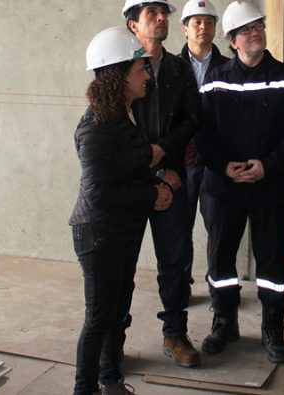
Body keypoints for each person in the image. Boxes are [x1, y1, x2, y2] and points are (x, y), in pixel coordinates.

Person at [70, 27, 174, 395]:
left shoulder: (119, 116)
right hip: (98, 234)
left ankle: (111, 381)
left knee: (116, 312)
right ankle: (84, 389)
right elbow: (99, 192)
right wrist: (150, 194)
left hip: (121, 229)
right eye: (140, 69)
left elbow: (126, 169)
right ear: (119, 76)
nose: (147, 75)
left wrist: (158, 179)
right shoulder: (96, 127)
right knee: (99, 317)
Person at [196, 1, 284, 363]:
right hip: (224, 188)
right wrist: (224, 167)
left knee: (272, 262)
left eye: (258, 26)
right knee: (221, 259)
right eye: (245, 30)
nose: (254, 33)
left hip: (270, 186)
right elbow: (202, 131)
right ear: (232, 41)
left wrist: (267, 166)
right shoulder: (215, 79)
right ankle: (224, 321)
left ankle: (273, 328)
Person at [122, 0, 203, 368]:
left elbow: (192, 118)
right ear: (133, 25)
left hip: (173, 178)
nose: (161, 18)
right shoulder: (120, 68)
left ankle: (175, 333)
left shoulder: (179, 68)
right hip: (133, 181)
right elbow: (116, 125)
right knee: (122, 265)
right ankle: (114, 339)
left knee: (175, 261)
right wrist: (153, 165)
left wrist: (164, 151)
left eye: (164, 13)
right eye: (151, 13)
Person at [178, 0, 231, 268]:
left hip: (216, 163)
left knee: (218, 228)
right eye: (196, 22)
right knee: (179, 230)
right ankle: (180, 284)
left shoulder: (229, 68)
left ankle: (217, 285)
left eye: (209, 22)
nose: (203, 27)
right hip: (182, 161)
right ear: (185, 28)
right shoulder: (172, 68)